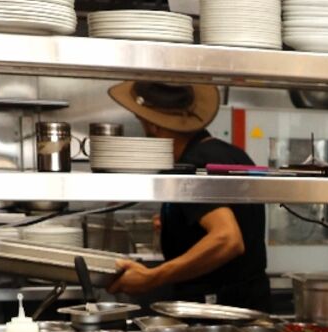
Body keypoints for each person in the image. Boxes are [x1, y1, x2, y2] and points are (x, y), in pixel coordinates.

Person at [106, 81, 270, 310]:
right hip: (251, 304)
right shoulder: (231, 153)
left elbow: (228, 239)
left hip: (217, 310)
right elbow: (233, 219)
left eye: (140, 119)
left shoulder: (190, 166)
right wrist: (179, 224)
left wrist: (151, 278)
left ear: (153, 125)